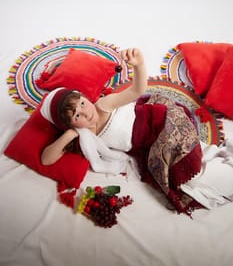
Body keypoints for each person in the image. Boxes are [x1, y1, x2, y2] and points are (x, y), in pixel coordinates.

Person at [40, 48, 203, 215]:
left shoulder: (104, 105)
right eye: (76, 116)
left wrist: (138, 65)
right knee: (169, 174)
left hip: (157, 121)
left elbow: (136, 90)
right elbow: (46, 159)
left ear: (84, 97)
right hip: (147, 144)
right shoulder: (86, 137)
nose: (85, 112)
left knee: (184, 152)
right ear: (71, 125)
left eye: (82, 103)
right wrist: (69, 134)